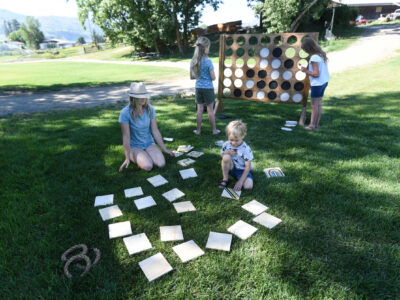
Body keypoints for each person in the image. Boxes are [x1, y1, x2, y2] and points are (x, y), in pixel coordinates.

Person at [118, 82, 174, 172]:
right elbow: (126, 136)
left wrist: (164, 149)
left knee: (161, 164)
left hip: (149, 143)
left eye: (144, 95)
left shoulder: (150, 109)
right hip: (134, 146)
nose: (143, 98)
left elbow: (155, 131)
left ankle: (147, 154)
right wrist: (127, 157)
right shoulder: (125, 113)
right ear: (133, 98)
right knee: (148, 166)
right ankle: (139, 155)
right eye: (140, 96)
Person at [190, 36, 220, 135]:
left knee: (199, 110)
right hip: (208, 88)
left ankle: (198, 130)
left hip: (198, 88)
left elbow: (192, 77)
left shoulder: (193, 61)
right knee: (210, 110)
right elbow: (213, 77)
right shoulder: (208, 61)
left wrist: (200, 76)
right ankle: (214, 130)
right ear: (206, 48)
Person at [300, 37, 330, 130]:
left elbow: (316, 73)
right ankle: (316, 125)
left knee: (314, 105)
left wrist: (305, 70)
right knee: (318, 104)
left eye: (305, 50)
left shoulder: (314, 57)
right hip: (324, 82)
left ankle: (312, 125)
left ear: (308, 48)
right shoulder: (321, 54)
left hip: (317, 84)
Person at [218, 120, 253, 191]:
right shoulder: (226, 144)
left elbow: (247, 167)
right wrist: (226, 153)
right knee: (226, 157)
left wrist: (241, 181)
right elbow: (223, 157)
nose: (233, 143)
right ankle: (225, 179)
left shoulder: (245, 149)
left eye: (236, 140)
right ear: (227, 135)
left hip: (242, 170)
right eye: (231, 139)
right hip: (231, 167)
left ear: (242, 136)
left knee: (248, 187)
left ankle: (240, 178)